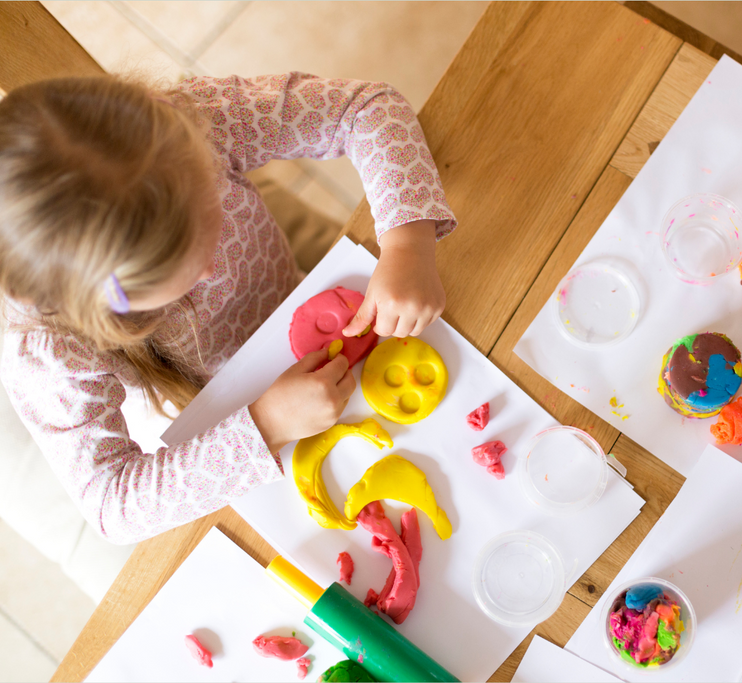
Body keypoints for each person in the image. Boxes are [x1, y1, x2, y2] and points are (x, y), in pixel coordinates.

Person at [0, 72, 456, 544]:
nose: (209, 269)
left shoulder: (194, 121)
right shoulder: (47, 351)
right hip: (216, 409)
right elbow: (111, 506)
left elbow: (365, 105)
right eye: (185, 269)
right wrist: (266, 425)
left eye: (211, 224)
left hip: (298, 295)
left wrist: (407, 242)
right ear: (109, 302)